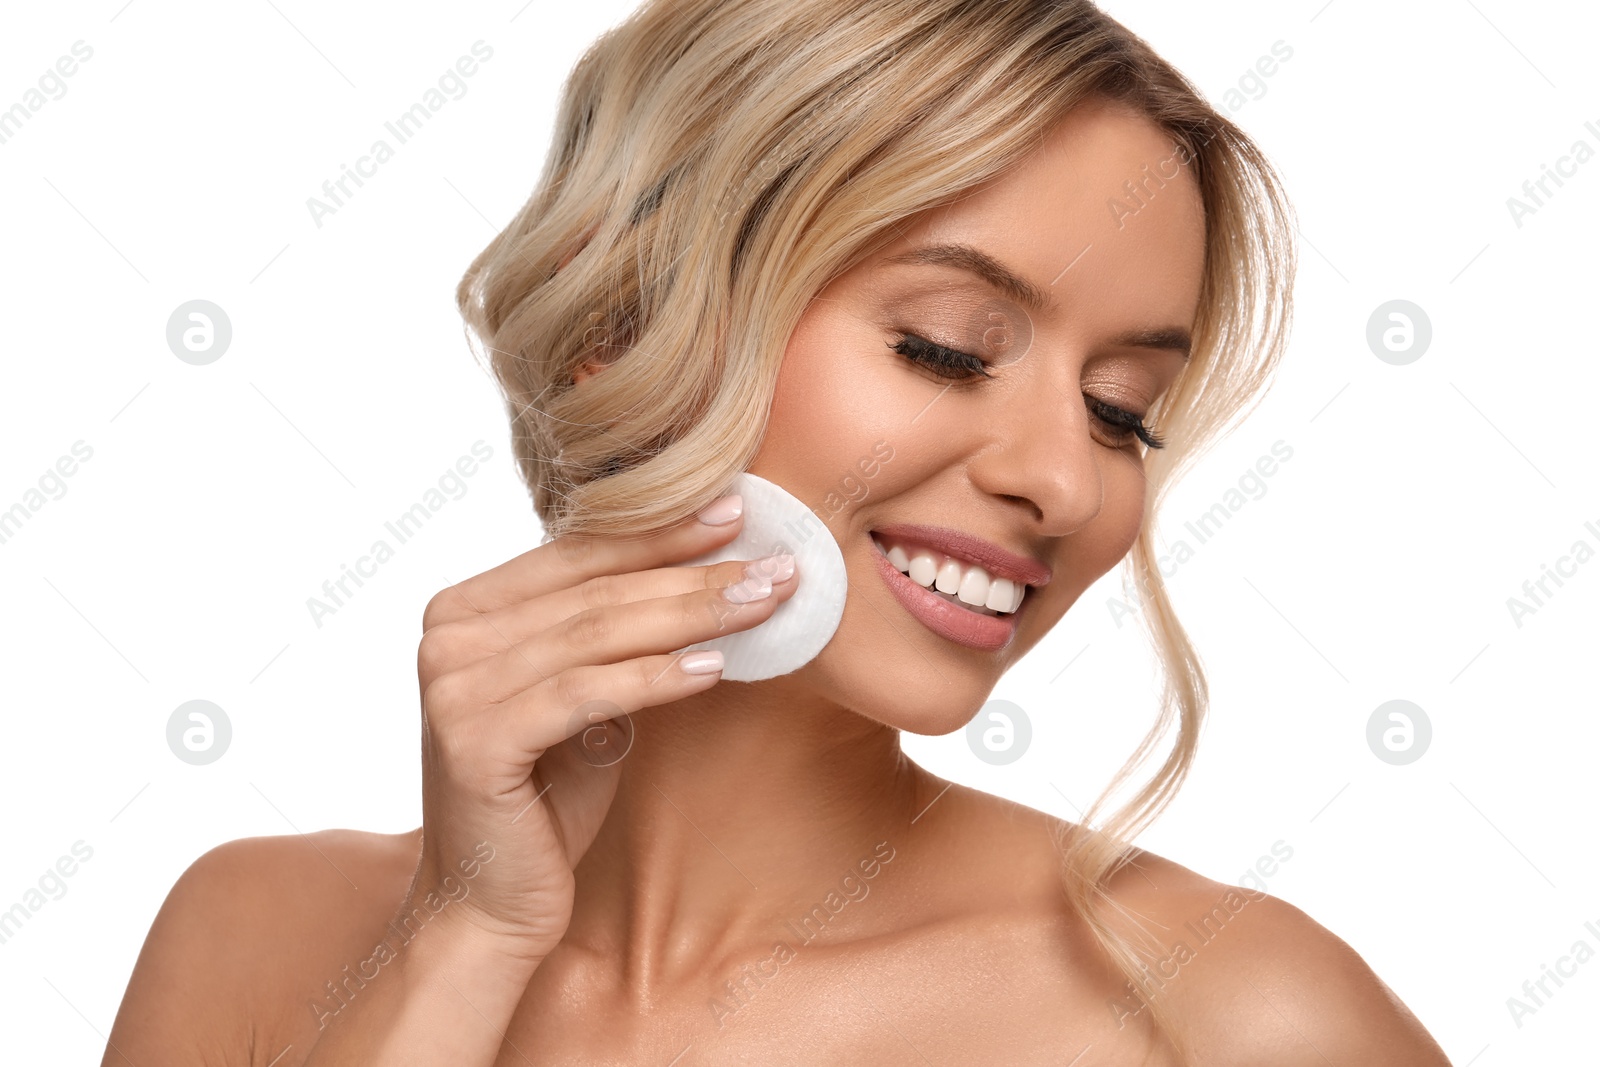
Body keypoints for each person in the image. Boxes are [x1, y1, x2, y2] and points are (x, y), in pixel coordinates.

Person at [104, 0, 1452, 1062]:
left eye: (1121, 412)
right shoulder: (252, 947)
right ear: (622, 325)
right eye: (944, 348)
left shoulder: (1233, 1018)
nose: (1065, 482)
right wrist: (463, 941)